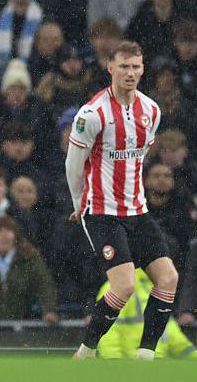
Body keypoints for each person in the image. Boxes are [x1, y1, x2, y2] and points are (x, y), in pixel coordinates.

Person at [65, 41, 179, 361]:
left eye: (136, 67)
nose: (130, 73)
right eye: (124, 66)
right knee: (124, 286)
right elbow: (73, 164)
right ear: (110, 68)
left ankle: (145, 356)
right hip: (101, 211)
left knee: (168, 278)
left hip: (137, 210)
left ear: (143, 70)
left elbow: (138, 157)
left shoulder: (151, 110)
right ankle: (85, 352)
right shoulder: (92, 114)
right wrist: (79, 204)